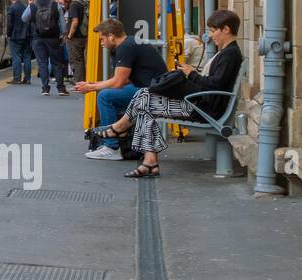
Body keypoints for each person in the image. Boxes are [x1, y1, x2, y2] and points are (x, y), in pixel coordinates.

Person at [87, 10, 245, 177]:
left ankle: (121, 130)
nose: (210, 35)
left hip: (204, 109)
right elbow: (215, 83)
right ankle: (148, 161)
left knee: (145, 97)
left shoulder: (229, 54)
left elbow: (215, 84)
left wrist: (191, 74)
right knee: (145, 98)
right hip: (202, 104)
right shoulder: (228, 52)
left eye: (213, 30)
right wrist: (190, 74)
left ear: (226, 29)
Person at [75, 18, 168, 159]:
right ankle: (122, 137)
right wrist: (93, 84)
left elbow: (118, 82)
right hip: (152, 89)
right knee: (108, 94)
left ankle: (111, 147)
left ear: (111, 36)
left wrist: (91, 88)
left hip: (153, 93)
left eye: (102, 39)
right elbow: (125, 80)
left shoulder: (126, 47)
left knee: (105, 97)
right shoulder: (130, 43)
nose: (101, 43)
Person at [22, 0, 68, 96]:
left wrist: (30, 5)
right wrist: (64, 35)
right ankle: (61, 88)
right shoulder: (55, 5)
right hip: (53, 38)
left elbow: (24, 18)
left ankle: (45, 88)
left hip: (37, 39)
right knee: (56, 63)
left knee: (42, 63)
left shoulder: (33, 6)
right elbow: (62, 23)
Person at [5, 0, 32, 84]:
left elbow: (10, 23)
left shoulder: (11, 8)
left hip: (15, 36)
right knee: (27, 57)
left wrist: (8, 34)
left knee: (16, 57)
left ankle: (17, 78)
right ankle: (27, 79)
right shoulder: (25, 7)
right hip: (27, 35)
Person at [62, 0, 88, 83]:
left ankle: (79, 83)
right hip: (83, 35)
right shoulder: (83, 2)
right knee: (81, 60)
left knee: (76, 61)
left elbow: (75, 21)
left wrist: (69, 36)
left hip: (75, 37)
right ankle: (81, 81)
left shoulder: (74, 4)